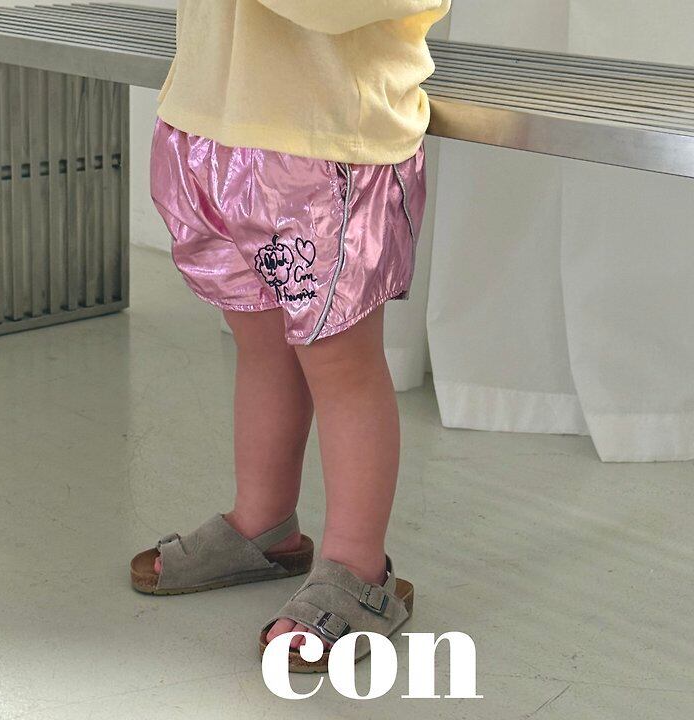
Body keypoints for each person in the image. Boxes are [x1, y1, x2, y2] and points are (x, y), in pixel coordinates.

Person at [130, 0, 451, 673]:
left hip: (324, 137)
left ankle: (359, 569)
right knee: (260, 343)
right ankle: (264, 524)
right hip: (209, 121)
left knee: (340, 365)